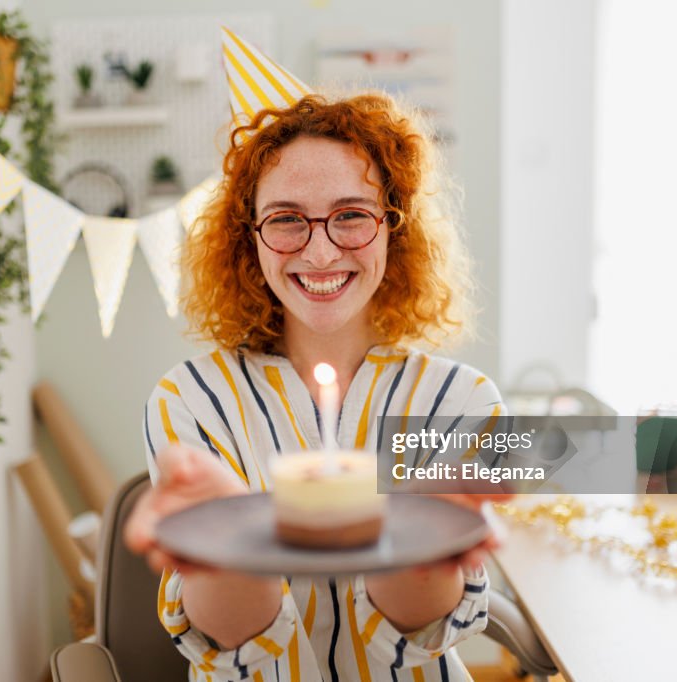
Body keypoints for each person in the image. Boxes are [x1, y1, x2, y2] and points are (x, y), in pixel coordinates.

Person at [125, 93, 513, 681]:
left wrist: (423, 540)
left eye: (351, 214)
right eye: (286, 219)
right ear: (249, 238)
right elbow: (230, 641)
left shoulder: (463, 404)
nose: (321, 249)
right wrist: (226, 542)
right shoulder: (190, 402)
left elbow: (420, 634)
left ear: (393, 226)